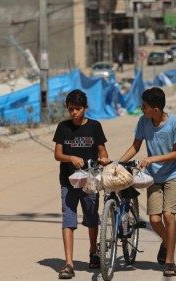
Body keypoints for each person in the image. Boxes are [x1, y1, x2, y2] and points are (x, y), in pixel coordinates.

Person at [119, 87, 176, 277]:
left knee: (168, 216)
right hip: (153, 177)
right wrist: (119, 164)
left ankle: (170, 261)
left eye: (144, 106)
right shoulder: (143, 121)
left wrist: (152, 159)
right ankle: (168, 242)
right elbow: (135, 146)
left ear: (155, 109)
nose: (141, 108)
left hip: (173, 174)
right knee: (155, 219)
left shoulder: (174, 123)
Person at [52, 89, 110, 279]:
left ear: (85, 108)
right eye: (70, 109)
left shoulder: (94, 126)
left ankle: (94, 252)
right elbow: (57, 154)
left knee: (92, 218)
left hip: (90, 182)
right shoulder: (63, 127)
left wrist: (103, 160)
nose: (74, 113)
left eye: (77, 109)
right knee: (68, 219)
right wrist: (70, 157)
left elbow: (102, 151)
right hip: (68, 182)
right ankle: (68, 263)